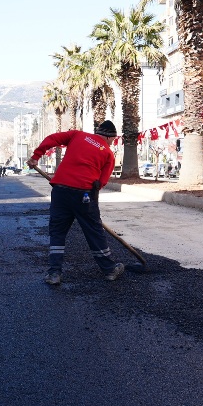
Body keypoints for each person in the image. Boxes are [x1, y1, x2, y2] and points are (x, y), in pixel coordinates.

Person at [26, 120, 124, 285]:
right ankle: (110, 270)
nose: (112, 144)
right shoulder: (107, 153)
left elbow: (51, 139)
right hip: (84, 194)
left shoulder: (77, 135)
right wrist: (90, 204)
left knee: (57, 231)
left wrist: (36, 156)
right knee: (94, 231)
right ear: (108, 137)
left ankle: (54, 274)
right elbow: (102, 181)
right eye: (113, 140)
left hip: (60, 190)